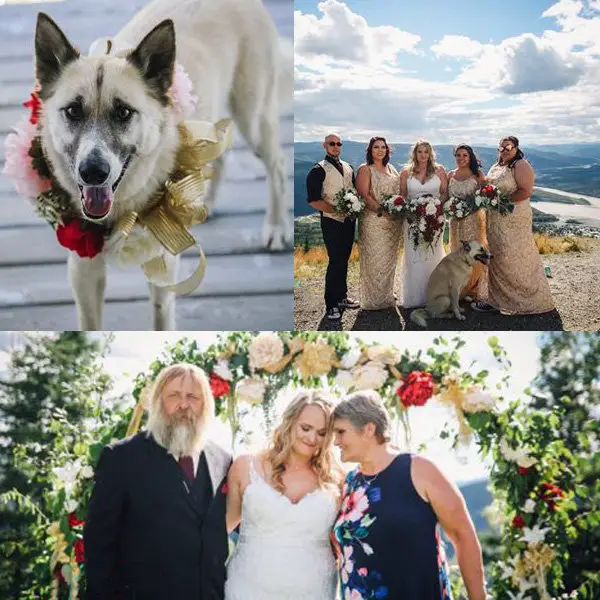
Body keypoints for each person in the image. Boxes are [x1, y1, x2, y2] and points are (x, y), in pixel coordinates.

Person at [84, 364, 231, 600]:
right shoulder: (122, 458)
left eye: (193, 397)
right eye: (174, 395)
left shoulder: (222, 460)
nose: (183, 405)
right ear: (158, 401)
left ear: (205, 405)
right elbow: (99, 545)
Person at [332, 391, 487, 600]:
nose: (336, 441)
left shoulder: (419, 469)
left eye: (341, 432)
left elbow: (463, 535)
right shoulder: (349, 483)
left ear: (369, 429)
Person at [225, 391, 342, 599]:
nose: (312, 438)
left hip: (314, 590)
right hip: (248, 587)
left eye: (322, 433)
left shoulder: (336, 480)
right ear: (289, 421)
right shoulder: (246, 466)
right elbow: (220, 528)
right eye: (305, 428)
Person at [472, 136, 554, 314]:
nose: (504, 151)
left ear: (516, 147)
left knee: (515, 255)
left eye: (508, 147)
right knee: (498, 256)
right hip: (495, 219)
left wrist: (500, 202)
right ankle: (496, 300)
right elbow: (490, 186)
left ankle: (523, 300)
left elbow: (525, 191)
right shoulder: (497, 166)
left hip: (515, 217)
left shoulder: (521, 165)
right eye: (501, 148)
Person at [307, 133, 360, 321]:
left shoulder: (348, 167)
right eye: (332, 143)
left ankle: (342, 297)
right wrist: (335, 210)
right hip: (331, 221)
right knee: (335, 260)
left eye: (339, 144)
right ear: (324, 145)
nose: (335, 146)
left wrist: (352, 209)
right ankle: (331, 304)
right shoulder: (318, 170)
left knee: (344, 259)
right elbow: (314, 200)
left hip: (348, 221)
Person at [355, 136, 403, 310]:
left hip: (393, 223)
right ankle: (374, 299)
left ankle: (386, 293)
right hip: (374, 221)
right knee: (375, 259)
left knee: (389, 261)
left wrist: (397, 210)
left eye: (383, 147)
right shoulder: (365, 169)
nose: (380, 150)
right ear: (370, 150)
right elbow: (365, 196)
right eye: (376, 147)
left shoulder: (391, 168)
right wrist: (383, 211)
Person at [399, 140, 448, 308]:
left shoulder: (439, 170)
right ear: (415, 153)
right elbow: (403, 197)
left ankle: (435, 294)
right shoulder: (406, 172)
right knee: (414, 254)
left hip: (435, 219)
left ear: (430, 153)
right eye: (420, 151)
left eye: (426, 152)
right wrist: (414, 209)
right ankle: (415, 296)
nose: (423, 155)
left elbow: (444, 193)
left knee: (433, 252)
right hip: (412, 220)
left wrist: (433, 207)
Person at [447, 144, 488, 301]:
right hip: (455, 221)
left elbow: (486, 195)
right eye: (458, 155)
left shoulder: (477, 174)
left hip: (473, 220)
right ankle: (458, 288)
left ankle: (473, 289)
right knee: (457, 252)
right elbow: (445, 196)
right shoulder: (450, 174)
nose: (461, 158)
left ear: (470, 157)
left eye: (465, 155)